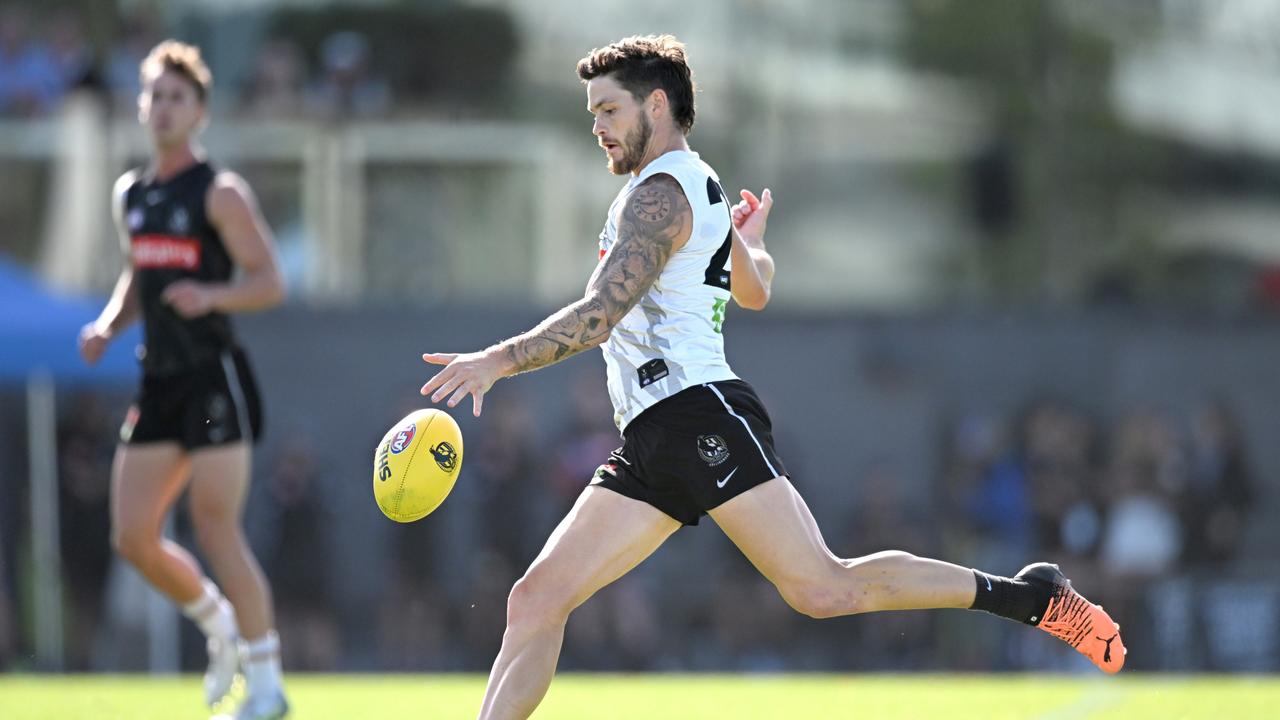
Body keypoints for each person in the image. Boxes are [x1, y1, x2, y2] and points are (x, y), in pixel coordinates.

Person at [419, 35, 1125, 720]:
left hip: (697, 413)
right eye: (593, 114)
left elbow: (600, 315)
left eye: (609, 110)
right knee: (535, 599)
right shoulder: (685, 191)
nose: (598, 127)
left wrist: (499, 360)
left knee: (823, 588)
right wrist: (749, 246)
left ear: (656, 105)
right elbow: (754, 289)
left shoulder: (661, 194)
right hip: (651, 434)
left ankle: (1030, 597)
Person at [78, 40, 289, 719]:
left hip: (211, 378)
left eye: (177, 97)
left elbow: (269, 283)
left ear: (199, 111)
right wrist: (111, 324)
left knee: (216, 527)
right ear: (143, 106)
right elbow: (138, 276)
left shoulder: (219, 192)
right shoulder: (132, 194)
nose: (163, 108)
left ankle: (266, 686)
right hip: (158, 383)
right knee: (132, 536)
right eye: (155, 95)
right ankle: (217, 624)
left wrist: (211, 296)